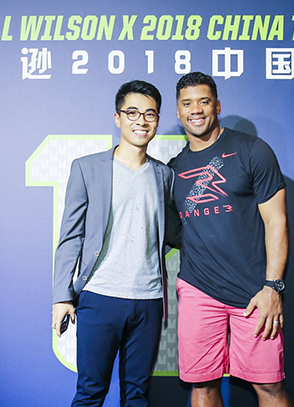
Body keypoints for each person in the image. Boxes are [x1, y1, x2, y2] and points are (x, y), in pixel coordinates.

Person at [168, 72, 293, 407]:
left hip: (254, 293)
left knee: (269, 387)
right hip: (198, 290)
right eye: (187, 103)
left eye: (204, 101)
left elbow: (277, 221)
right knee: (202, 385)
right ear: (178, 113)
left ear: (217, 105)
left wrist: (273, 287)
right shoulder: (174, 169)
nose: (196, 109)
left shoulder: (252, 150)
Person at [51, 80, 175, 407]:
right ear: (117, 118)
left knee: (137, 396)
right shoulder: (87, 169)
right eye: (132, 112)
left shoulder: (165, 175)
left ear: (157, 121)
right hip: (100, 297)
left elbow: (176, 231)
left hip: (149, 300)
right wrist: (62, 296)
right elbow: (70, 237)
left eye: (150, 114)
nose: (141, 121)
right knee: (90, 394)